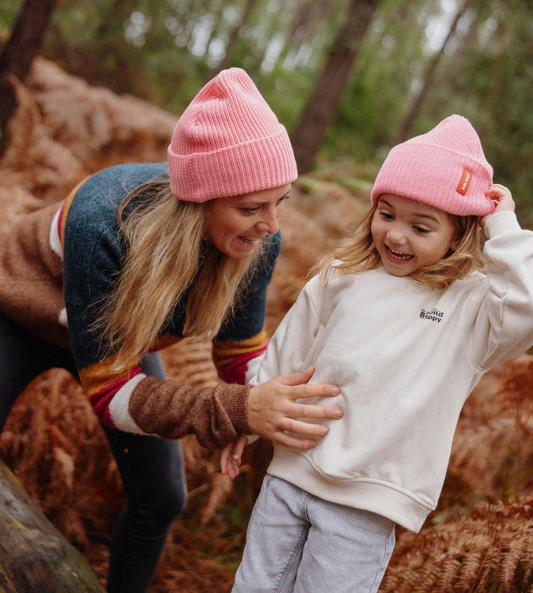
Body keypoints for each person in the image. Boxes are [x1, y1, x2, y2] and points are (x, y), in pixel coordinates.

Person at [0, 67, 343, 592]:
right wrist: (237, 409)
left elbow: (239, 350)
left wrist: (255, 407)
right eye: (252, 207)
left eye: (281, 202)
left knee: (162, 498)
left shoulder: (257, 240)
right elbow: (111, 394)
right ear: (199, 199)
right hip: (22, 317)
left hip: (119, 344)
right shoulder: (104, 221)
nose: (272, 226)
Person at [221, 114, 533, 593]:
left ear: (460, 233)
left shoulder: (471, 309)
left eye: (421, 226)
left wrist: (502, 223)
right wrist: (247, 416)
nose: (396, 235)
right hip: (290, 475)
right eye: (386, 214)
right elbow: (287, 352)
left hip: (366, 503)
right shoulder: (343, 274)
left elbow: (527, 303)